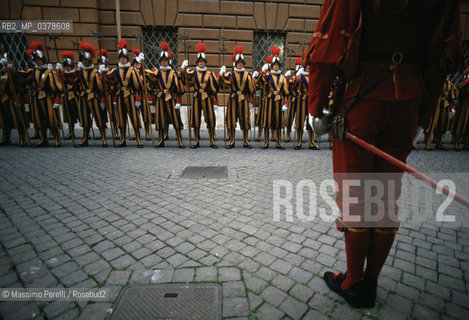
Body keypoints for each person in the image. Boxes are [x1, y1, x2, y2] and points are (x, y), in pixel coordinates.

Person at [306, 0, 462, 308]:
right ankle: (371, 281)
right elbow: (442, 54)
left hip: (361, 100)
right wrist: (423, 115)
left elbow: (330, 41)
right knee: (385, 198)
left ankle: (353, 283)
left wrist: (316, 106)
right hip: (408, 100)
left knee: (356, 198)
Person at [15, 42, 63, 147]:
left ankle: (57, 138)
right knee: (39, 119)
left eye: (40, 59)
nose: (38, 61)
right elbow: (22, 77)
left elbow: (57, 87)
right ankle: (43, 138)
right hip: (35, 97)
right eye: (36, 60)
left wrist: (57, 100)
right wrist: (11, 70)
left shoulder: (50, 73)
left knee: (51, 118)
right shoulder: (32, 72)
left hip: (47, 97)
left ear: (43, 60)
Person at [104, 39, 143, 148]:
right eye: (121, 58)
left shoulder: (132, 70)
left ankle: (138, 139)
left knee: (134, 117)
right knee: (121, 118)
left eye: (124, 57)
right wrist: (103, 73)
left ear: (127, 59)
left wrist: (140, 69)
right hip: (120, 95)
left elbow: (138, 84)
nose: (122, 59)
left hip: (130, 95)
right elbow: (110, 80)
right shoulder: (116, 70)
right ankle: (122, 139)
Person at [145, 41, 184, 148]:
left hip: (170, 98)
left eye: (165, 61)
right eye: (162, 61)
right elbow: (149, 81)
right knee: (160, 119)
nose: (163, 62)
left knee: (175, 119)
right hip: (160, 98)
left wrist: (178, 101)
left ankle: (179, 139)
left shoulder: (173, 73)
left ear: (168, 61)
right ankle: (161, 140)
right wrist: (141, 68)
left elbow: (178, 88)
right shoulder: (156, 72)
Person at [180, 43, 219, 148]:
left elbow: (215, 88)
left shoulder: (210, 74)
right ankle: (196, 140)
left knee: (210, 119)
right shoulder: (192, 73)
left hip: (207, 97)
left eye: (203, 62)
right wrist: (183, 70)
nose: (201, 63)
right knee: (195, 119)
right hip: (196, 97)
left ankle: (212, 140)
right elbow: (185, 82)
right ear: (197, 62)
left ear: (205, 63)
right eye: (200, 62)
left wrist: (215, 102)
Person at [219, 46, 255, 149]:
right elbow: (223, 86)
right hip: (233, 98)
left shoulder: (248, 75)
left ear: (243, 64)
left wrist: (251, 100)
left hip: (243, 99)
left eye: (241, 62)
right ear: (235, 63)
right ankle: (232, 141)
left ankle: (246, 141)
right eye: (238, 62)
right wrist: (221, 76)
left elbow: (251, 89)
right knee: (231, 119)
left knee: (245, 120)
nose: (240, 64)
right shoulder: (230, 74)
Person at [258, 45, 290, 150]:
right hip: (269, 100)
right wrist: (262, 73)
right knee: (267, 121)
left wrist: (286, 103)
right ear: (271, 66)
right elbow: (260, 84)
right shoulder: (268, 76)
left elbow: (286, 92)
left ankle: (278, 142)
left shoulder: (282, 77)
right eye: (274, 65)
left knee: (279, 121)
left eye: (277, 65)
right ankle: (266, 142)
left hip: (279, 101)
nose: (276, 66)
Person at [56, 50, 80, 141]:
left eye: (69, 66)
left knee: (80, 114)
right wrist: (58, 72)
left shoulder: (76, 73)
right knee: (69, 115)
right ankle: (71, 132)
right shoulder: (62, 74)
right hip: (66, 97)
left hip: (75, 96)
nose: (67, 68)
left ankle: (86, 131)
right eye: (65, 66)